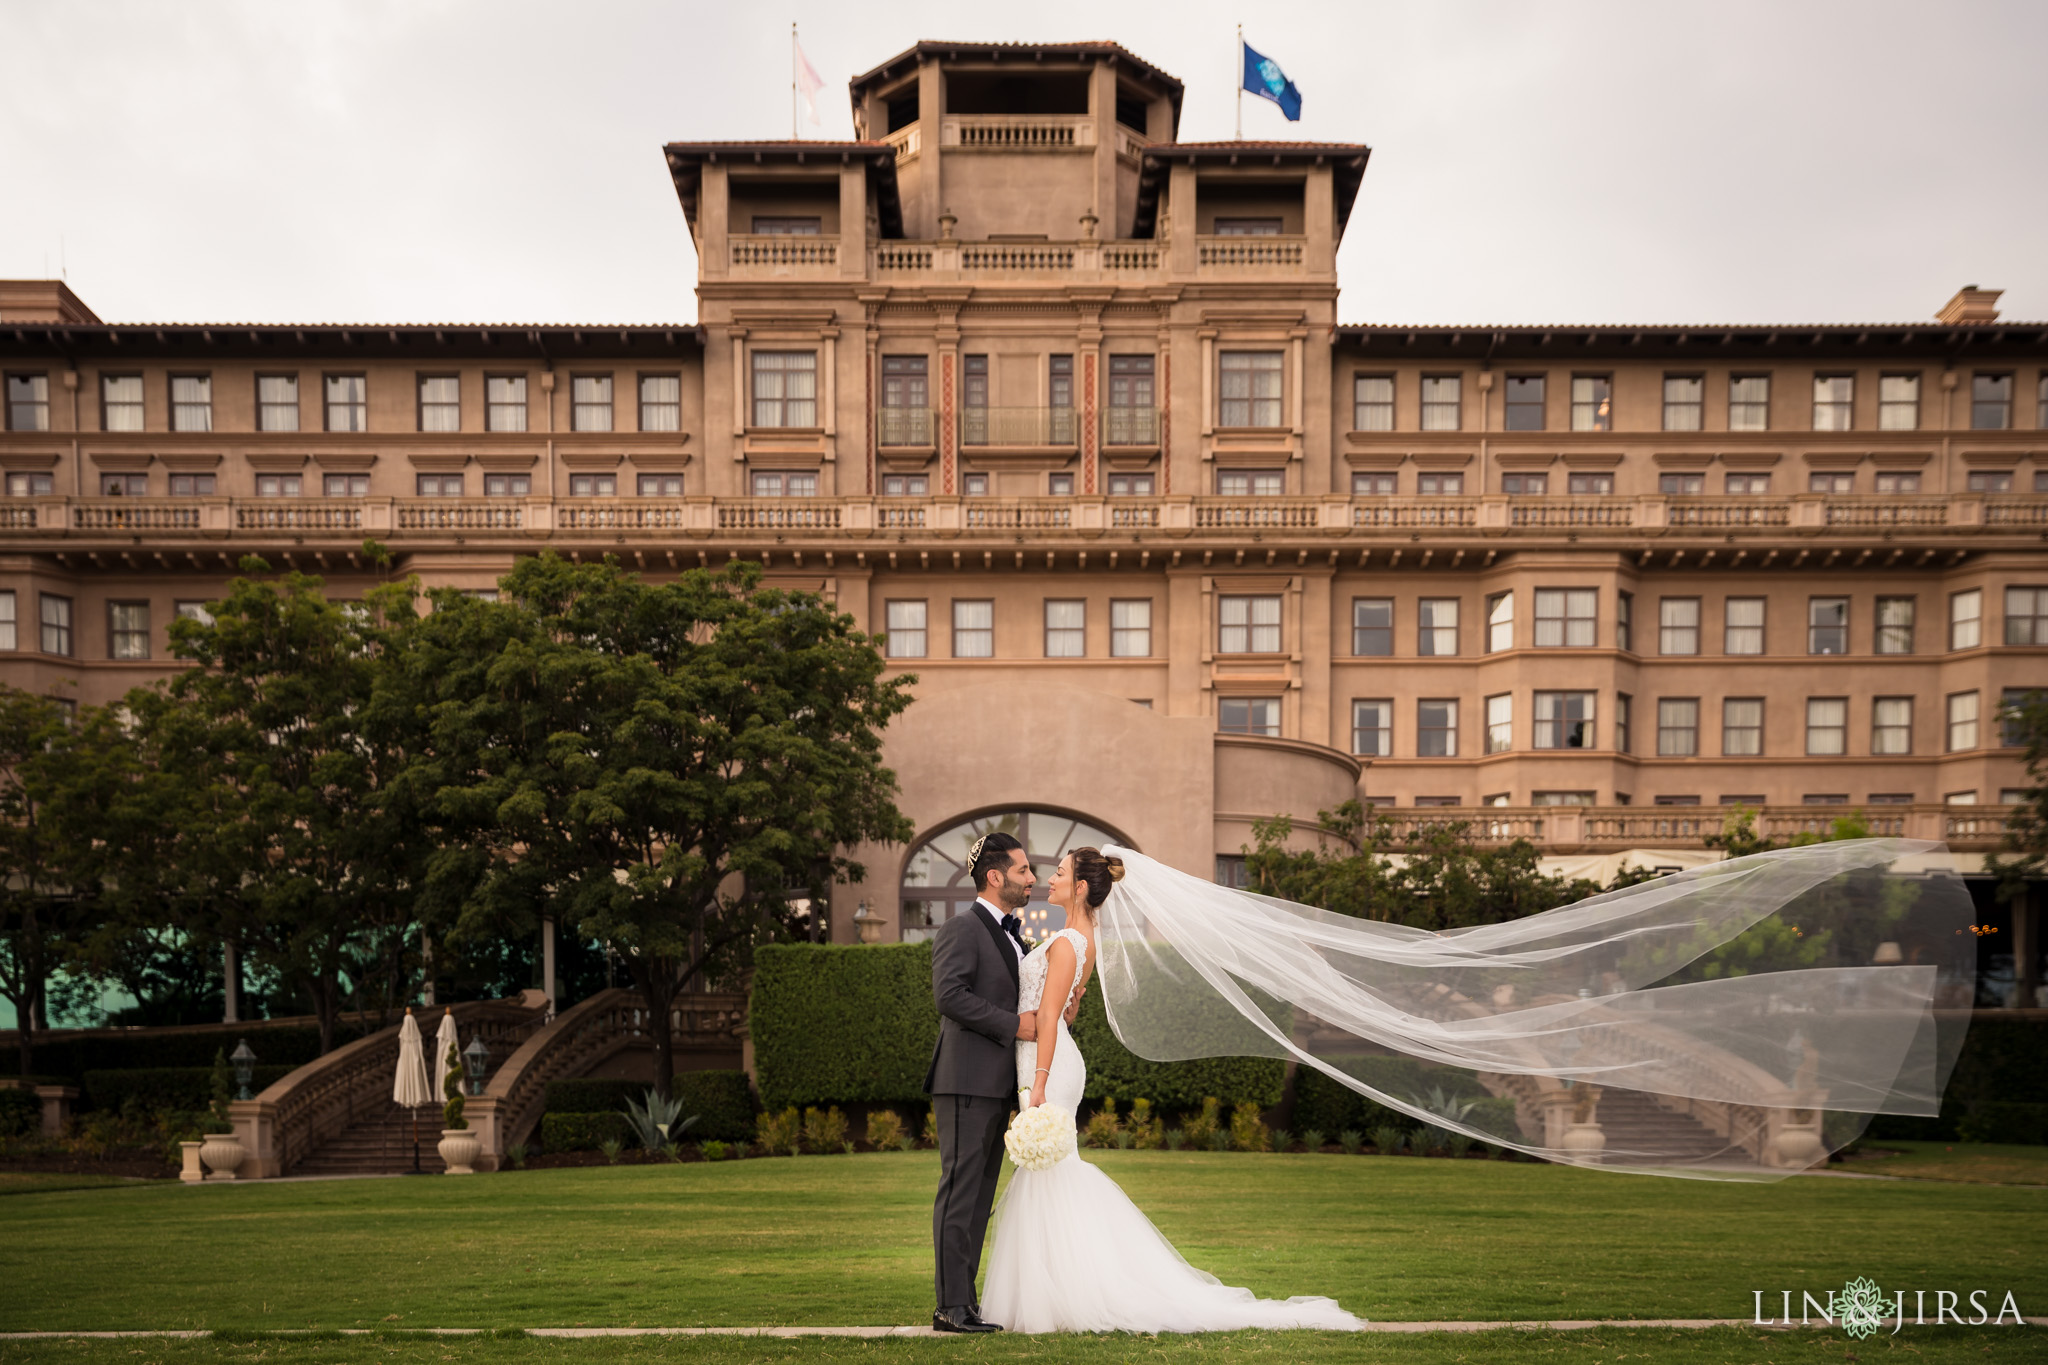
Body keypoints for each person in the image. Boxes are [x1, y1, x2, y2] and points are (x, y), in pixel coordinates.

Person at [978, 847, 1368, 1334]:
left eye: (1059, 873)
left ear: (1080, 887)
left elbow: (1052, 1018)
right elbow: (1066, 1009)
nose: (1048, 879)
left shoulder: (1063, 943)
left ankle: (1062, 1297)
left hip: (1046, 1067)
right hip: (1051, 1061)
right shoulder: (1083, 938)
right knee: (1052, 1175)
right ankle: (1057, 1294)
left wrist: (1037, 1085)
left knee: (1051, 1176)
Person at [922, 830, 1078, 1334]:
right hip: (965, 1079)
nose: (1032, 878)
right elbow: (949, 996)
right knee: (960, 1193)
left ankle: (965, 1303)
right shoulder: (961, 929)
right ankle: (951, 1307)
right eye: (1023, 870)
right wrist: (1016, 1025)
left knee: (980, 1197)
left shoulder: (1016, 935)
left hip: (996, 1083)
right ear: (995, 877)